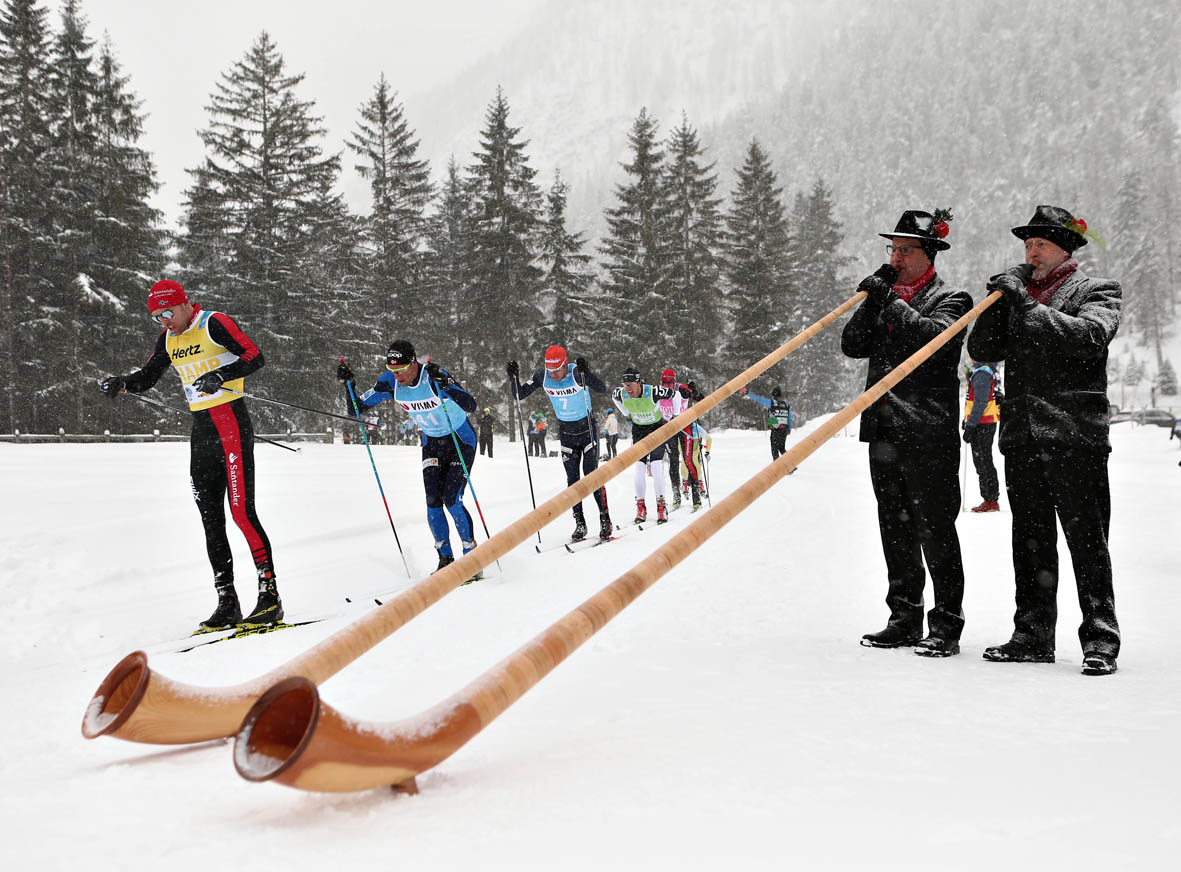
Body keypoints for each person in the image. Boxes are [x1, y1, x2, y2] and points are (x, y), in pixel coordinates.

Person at [967, 205, 1121, 676]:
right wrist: (1001, 300)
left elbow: (1090, 336)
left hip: (1075, 435)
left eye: (1041, 244)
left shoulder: (1098, 290)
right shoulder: (1015, 298)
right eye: (1027, 245)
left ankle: (1100, 638)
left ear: (1065, 249)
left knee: (1087, 541)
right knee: (1030, 542)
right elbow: (981, 350)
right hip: (1023, 437)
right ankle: (1032, 634)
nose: (1031, 252)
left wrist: (1027, 306)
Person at [98, 279, 281, 629]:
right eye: (156, 317)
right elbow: (148, 376)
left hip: (231, 426)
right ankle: (227, 601)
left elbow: (254, 356)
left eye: (167, 312)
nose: (163, 321)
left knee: (242, 513)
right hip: (202, 433)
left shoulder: (213, 322)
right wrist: (122, 381)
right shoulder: (168, 338)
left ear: (184, 304)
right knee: (211, 518)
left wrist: (221, 374)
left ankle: (269, 596)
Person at [841, 209, 972, 658]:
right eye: (891, 249)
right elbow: (852, 344)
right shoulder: (883, 297)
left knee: (935, 529)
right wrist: (872, 300)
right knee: (893, 528)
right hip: (884, 428)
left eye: (904, 249)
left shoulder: (954, 299)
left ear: (928, 254)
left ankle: (946, 624)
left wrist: (890, 300)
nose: (895, 256)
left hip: (927, 432)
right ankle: (904, 616)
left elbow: (931, 342)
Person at [337, 340, 481, 577]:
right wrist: (349, 384)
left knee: (452, 498)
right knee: (433, 500)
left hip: (460, 439)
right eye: (393, 370)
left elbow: (471, 405)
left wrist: (448, 385)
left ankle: (472, 558)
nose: (398, 375)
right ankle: (445, 559)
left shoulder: (433, 376)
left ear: (414, 363)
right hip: (432, 443)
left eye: (401, 369)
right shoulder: (389, 382)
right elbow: (356, 408)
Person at [508, 345, 613, 541]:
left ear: (565, 364)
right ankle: (580, 523)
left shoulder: (575, 372)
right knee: (572, 480)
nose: (554, 374)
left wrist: (586, 373)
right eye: (551, 370)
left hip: (587, 429)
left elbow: (602, 387)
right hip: (566, 433)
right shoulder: (542, 376)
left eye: (557, 369)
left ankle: (605, 518)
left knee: (592, 476)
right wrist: (514, 377)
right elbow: (518, 395)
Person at [612, 366, 688, 524]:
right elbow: (614, 397)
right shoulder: (621, 393)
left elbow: (676, 395)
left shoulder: (652, 391)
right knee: (639, 469)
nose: (628, 389)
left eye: (631, 385)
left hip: (656, 429)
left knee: (655, 467)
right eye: (626, 385)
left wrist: (675, 416)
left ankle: (661, 506)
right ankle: (641, 507)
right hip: (639, 431)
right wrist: (627, 414)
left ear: (639, 383)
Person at [962, 359, 1001, 512]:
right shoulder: (989, 371)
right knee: (983, 459)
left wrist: (971, 425)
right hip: (985, 421)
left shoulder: (982, 374)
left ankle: (990, 499)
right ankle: (990, 497)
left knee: (983, 461)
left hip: (982, 423)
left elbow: (980, 402)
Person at [738, 385, 793, 460]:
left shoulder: (771, 403)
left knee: (774, 449)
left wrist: (747, 392)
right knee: (782, 448)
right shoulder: (786, 405)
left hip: (776, 428)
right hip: (784, 429)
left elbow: (758, 399)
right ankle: (791, 464)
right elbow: (790, 417)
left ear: (773, 395)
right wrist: (789, 428)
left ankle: (777, 468)